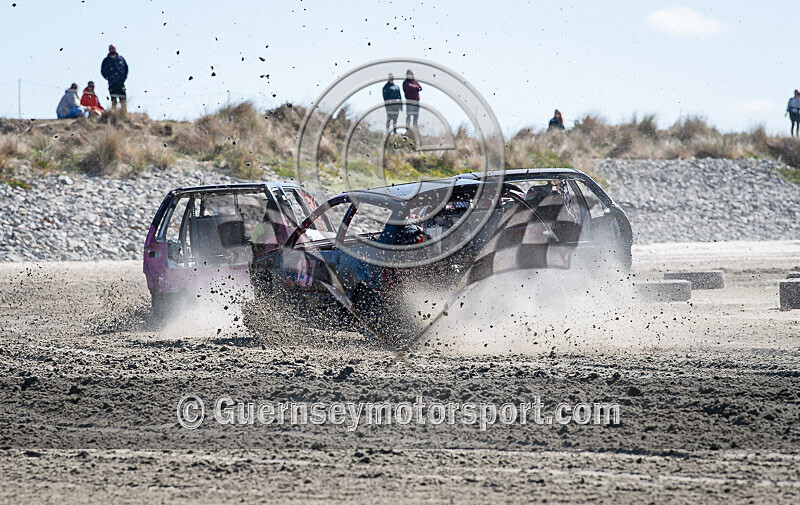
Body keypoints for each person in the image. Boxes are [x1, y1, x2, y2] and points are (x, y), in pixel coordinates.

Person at [101, 44, 128, 113]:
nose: (112, 50)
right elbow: (103, 71)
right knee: (113, 98)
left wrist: (123, 78)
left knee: (123, 98)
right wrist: (109, 78)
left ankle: (124, 113)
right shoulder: (106, 60)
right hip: (112, 83)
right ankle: (114, 113)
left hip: (121, 83)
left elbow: (126, 69)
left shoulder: (121, 59)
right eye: (110, 48)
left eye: (113, 48)